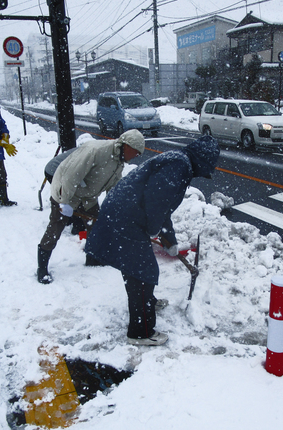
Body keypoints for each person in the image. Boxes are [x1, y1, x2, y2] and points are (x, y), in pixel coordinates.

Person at [84, 135, 220, 346]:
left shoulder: (179, 162)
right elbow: (156, 202)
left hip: (125, 211)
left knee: (137, 268)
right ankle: (140, 331)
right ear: (203, 160)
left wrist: (169, 240)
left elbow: (161, 205)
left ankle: (146, 303)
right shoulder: (179, 166)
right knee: (143, 272)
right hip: (127, 217)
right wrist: (153, 230)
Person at [37, 129, 145, 284]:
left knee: (95, 225)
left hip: (87, 196)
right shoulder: (96, 151)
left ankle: (92, 259)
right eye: (136, 152)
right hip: (65, 192)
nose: (136, 156)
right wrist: (64, 202)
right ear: (127, 146)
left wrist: (116, 207)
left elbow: (114, 186)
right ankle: (42, 268)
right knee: (55, 228)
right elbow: (70, 176)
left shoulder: (119, 162)